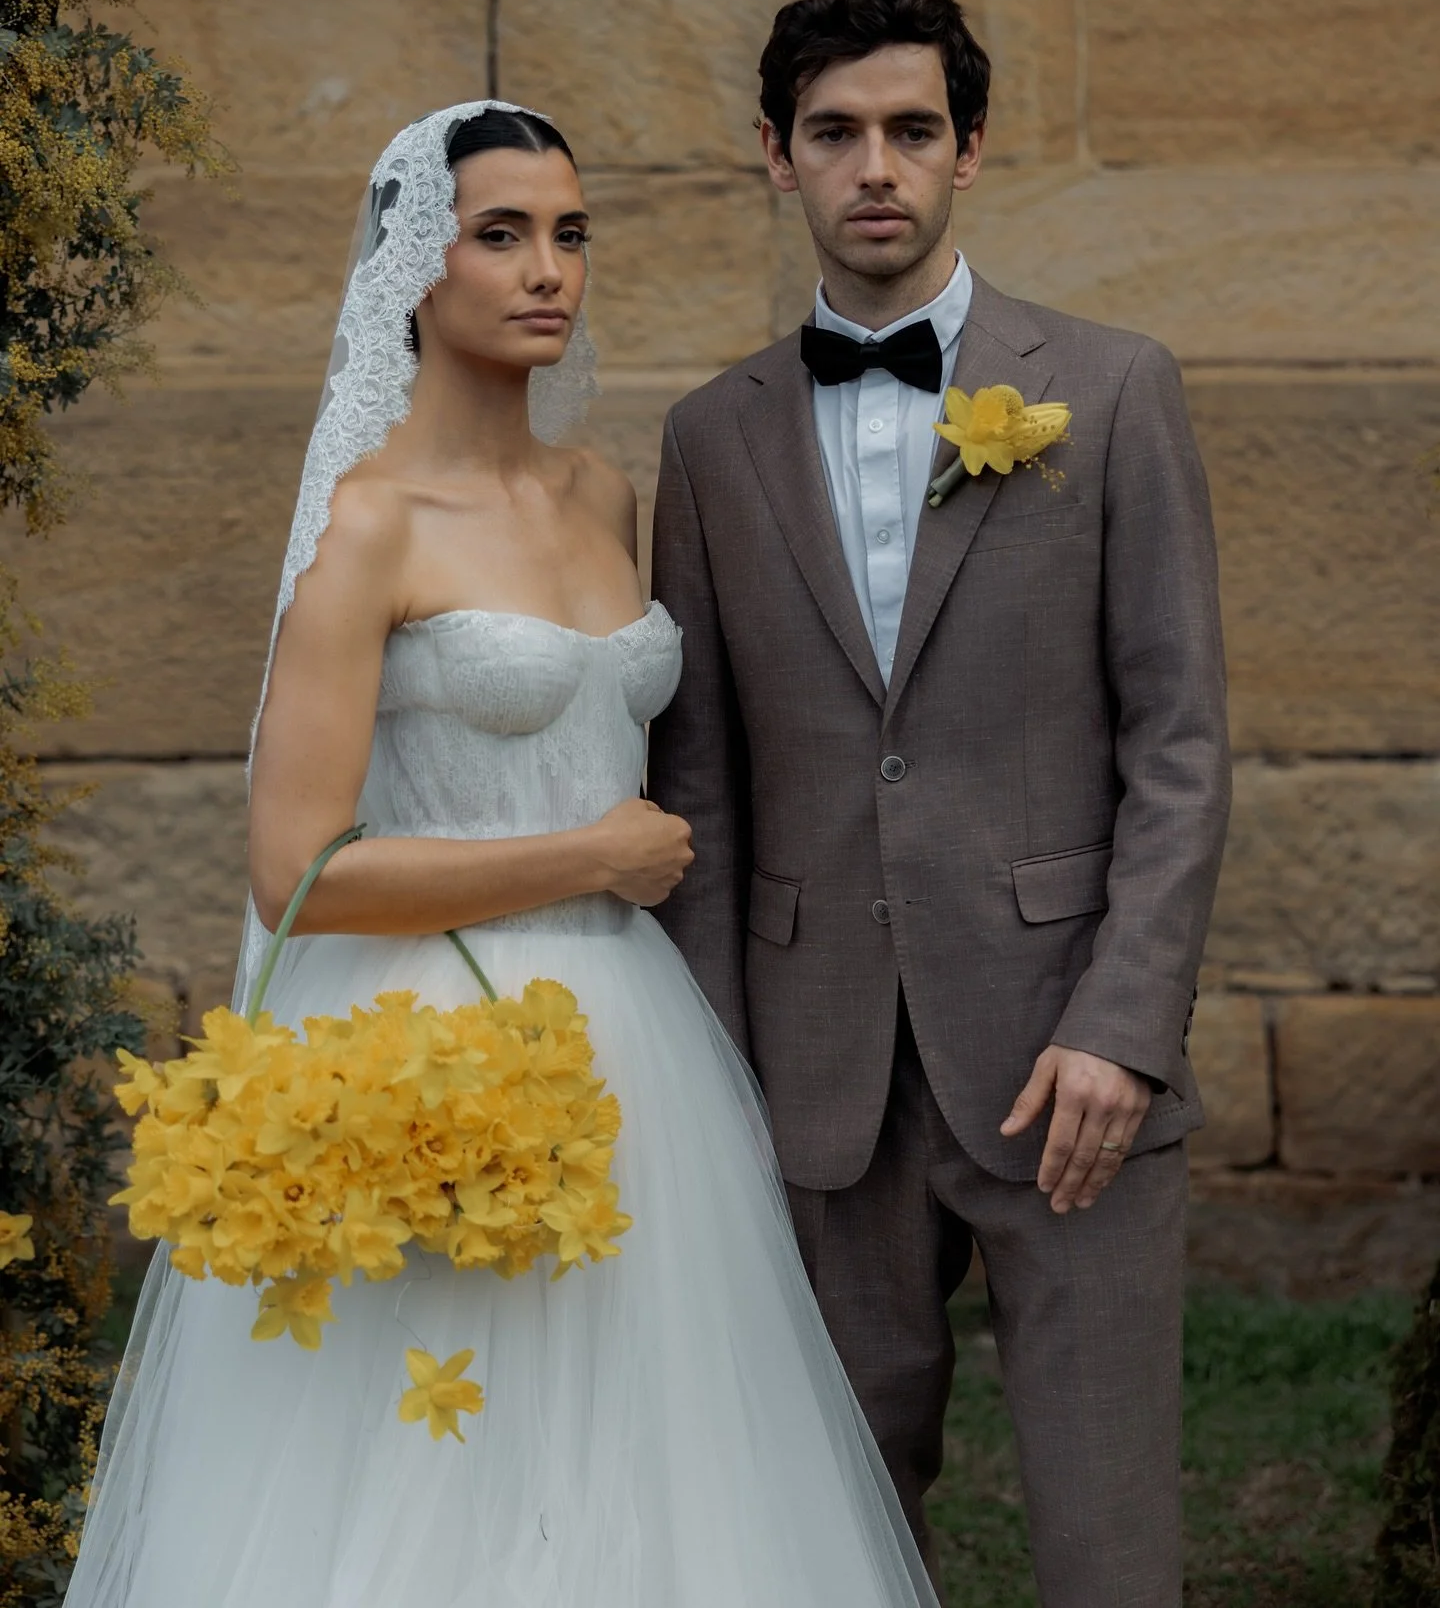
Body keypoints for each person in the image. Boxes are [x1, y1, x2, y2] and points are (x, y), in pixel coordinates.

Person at [65, 101, 939, 1608]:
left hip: (636, 1043)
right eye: (502, 235)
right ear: (416, 265)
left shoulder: (604, 494)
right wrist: (585, 856)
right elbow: (298, 872)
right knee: (446, 1459)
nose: (548, 270)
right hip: (428, 1042)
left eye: (571, 234)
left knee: (654, 1450)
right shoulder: (369, 526)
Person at [648, 0, 1232, 1607]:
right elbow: (702, 791)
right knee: (827, 1534)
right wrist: (722, 1085)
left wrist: (1126, 1025)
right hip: (817, 1076)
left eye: (912, 130)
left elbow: (1180, 743)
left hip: (1067, 1065)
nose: (875, 167)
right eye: (835, 132)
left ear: (970, 148)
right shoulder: (708, 440)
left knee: (1110, 1543)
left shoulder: (1113, 389)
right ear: (777, 154)